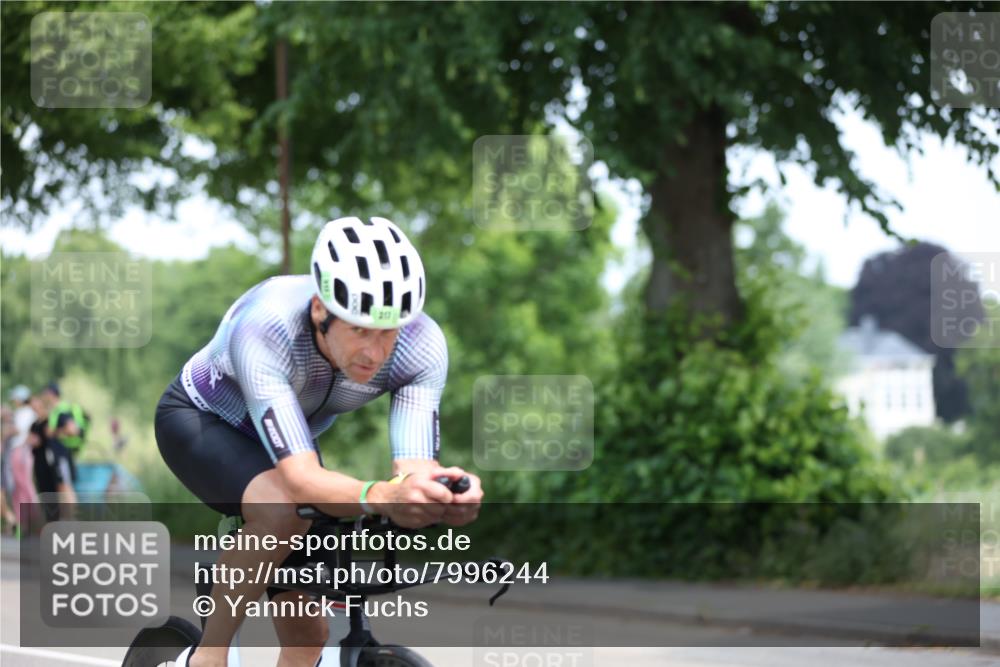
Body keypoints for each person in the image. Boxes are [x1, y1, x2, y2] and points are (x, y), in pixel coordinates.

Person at [155, 216, 482, 667]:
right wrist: (380, 495)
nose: (375, 351)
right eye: (359, 329)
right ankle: (206, 657)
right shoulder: (266, 327)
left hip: (290, 440)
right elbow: (303, 480)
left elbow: (413, 469)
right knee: (286, 510)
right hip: (200, 420)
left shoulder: (421, 345)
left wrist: (441, 494)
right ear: (319, 311)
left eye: (387, 332)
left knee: (309, 637)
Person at [31, 412, 77, 522]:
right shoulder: (55, 447)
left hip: (60, 457)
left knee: (64, 488)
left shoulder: (61, 444)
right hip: (52, 461)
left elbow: (73, 431)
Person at [5, 386, 38, 533]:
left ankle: (36, 519)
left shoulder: (27, 413)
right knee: (17, 487)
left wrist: (6, 429)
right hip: (15, 451)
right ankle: (22, 522)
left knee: (25, 485)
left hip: (22, 451)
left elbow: (17, 430)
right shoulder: (20, 412)